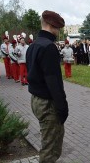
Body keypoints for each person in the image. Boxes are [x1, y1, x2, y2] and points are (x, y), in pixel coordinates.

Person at [26, 10, 68, 163]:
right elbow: (53, 82)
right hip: (47, 103)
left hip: (36, 99)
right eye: (57, 28)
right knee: (50, 148)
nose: (58, 31)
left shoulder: (34, 45)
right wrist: (63, 107)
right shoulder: (48, 47)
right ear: (51, 26)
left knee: (49, 142)